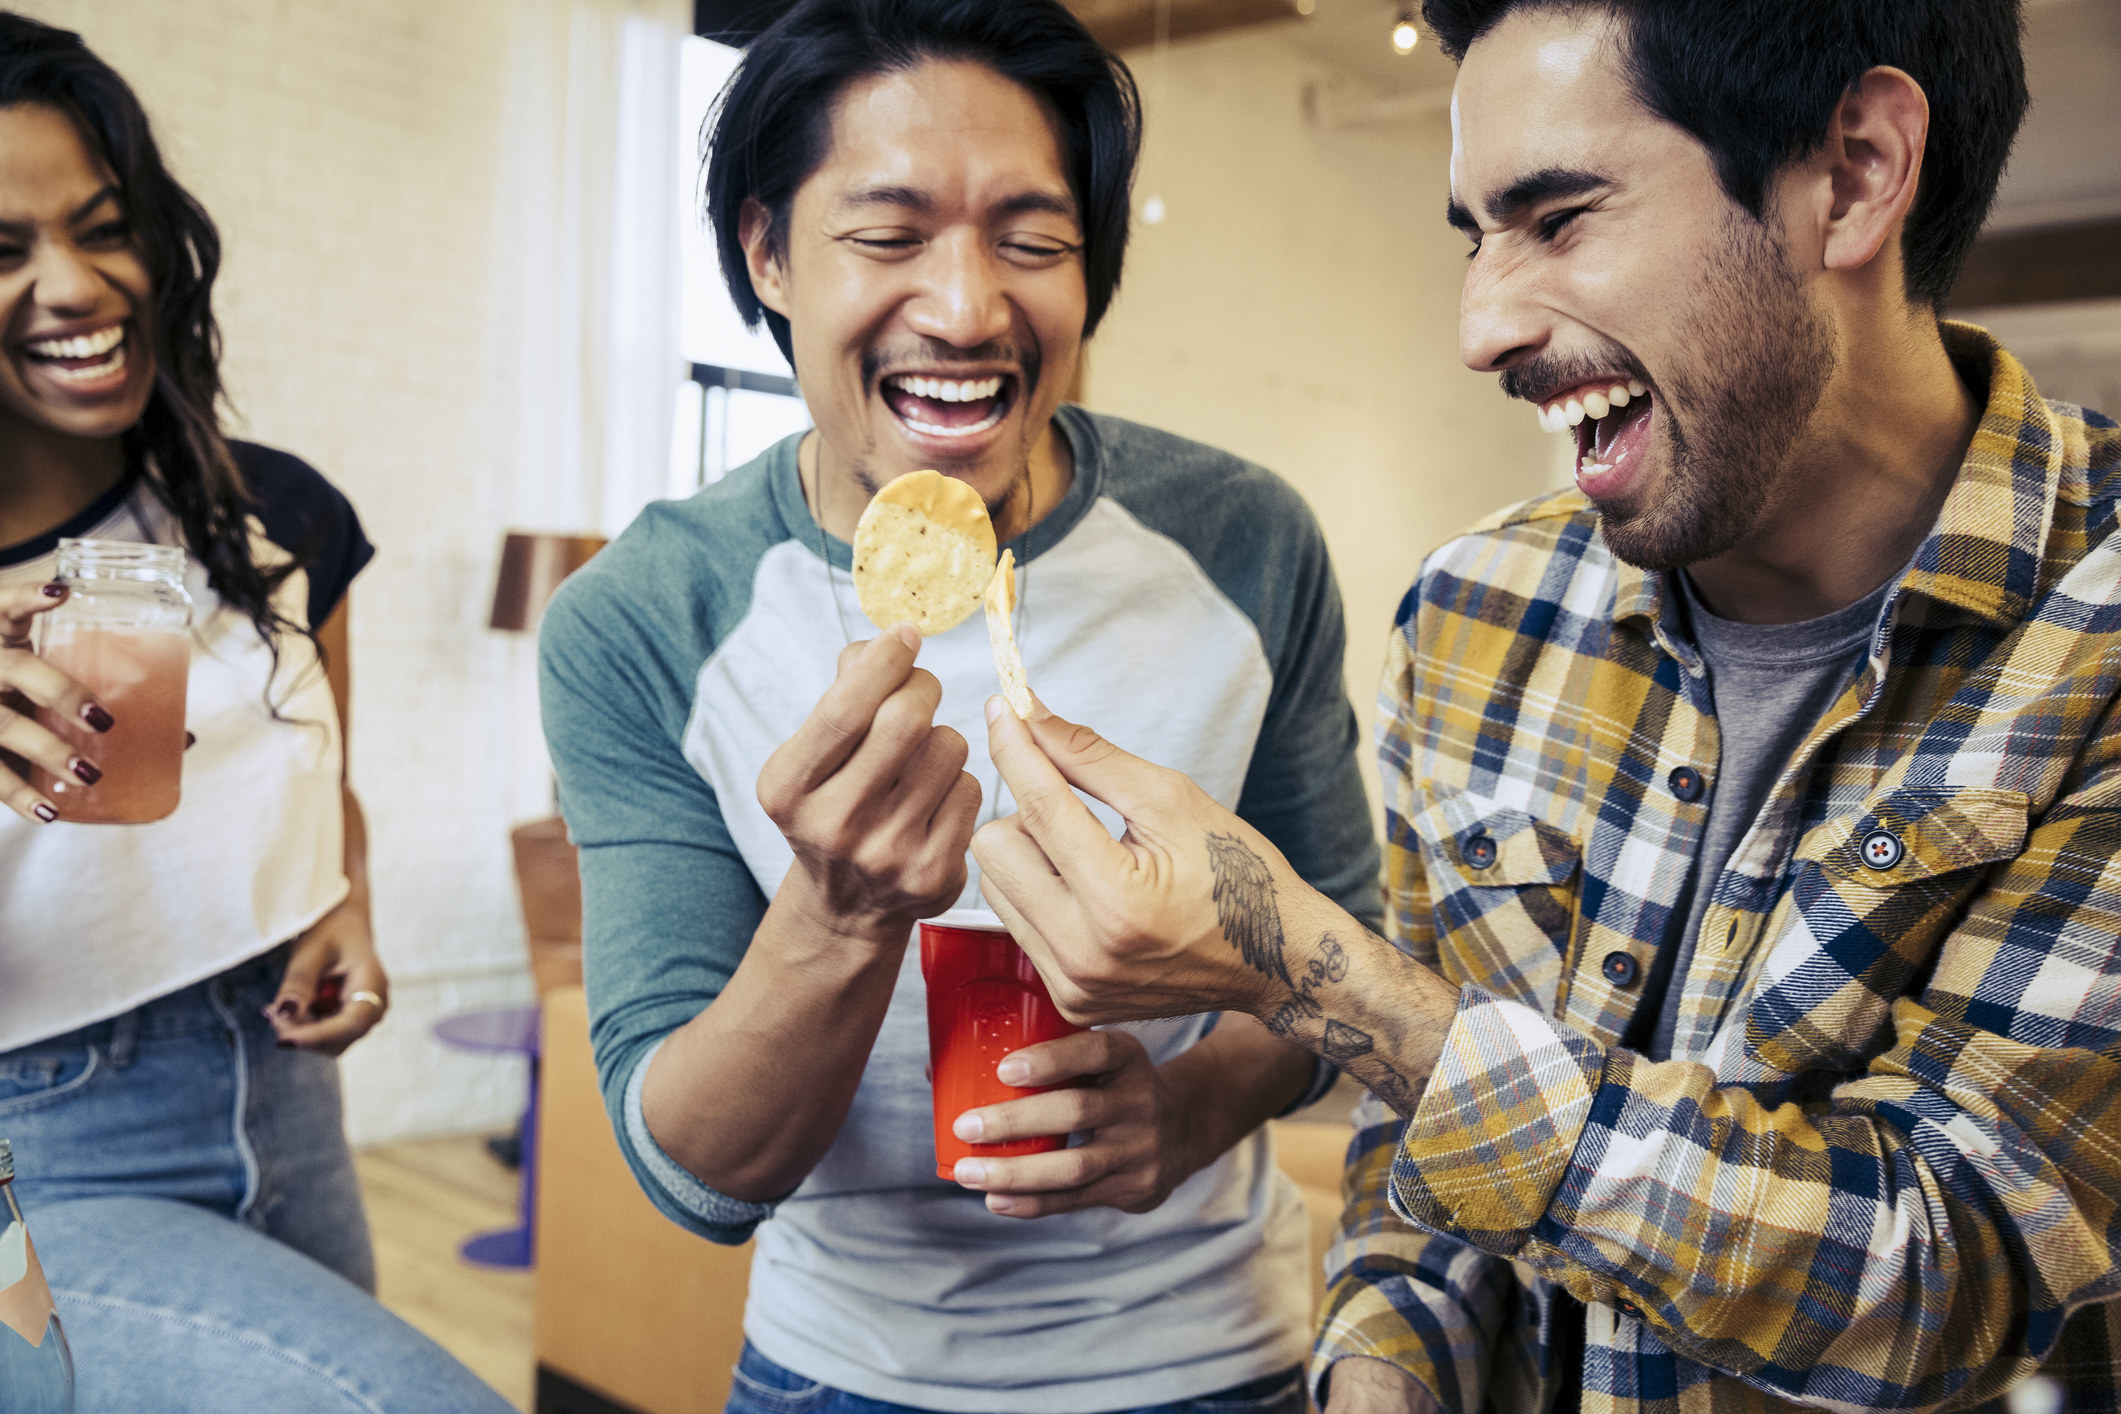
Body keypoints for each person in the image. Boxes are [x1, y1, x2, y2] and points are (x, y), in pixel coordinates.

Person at [969, 1, 2121, 1411]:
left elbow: (1950, 1266)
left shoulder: (2095, 636)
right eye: (1473, 234)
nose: (1480, 324)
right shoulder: (1476, 609)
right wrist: (1377, 1374)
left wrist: (1296, 962)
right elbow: (1426, 1159)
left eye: (1560, 216)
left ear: (1856, 172)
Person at [538, 1, 1381, 1409]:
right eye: (887, 234)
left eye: (1031, 240)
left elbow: (1336, 961)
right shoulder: (642, 615)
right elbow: (690, 1169)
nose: (967, 307)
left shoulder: (1245, 542)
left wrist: (1179, 1110)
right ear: (767, 252)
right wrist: (838, 911)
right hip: (841, 1371)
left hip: (1218, 1362)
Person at [0, 15, 513, 1412]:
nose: (72, 282)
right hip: (38, 1146)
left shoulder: (270, 511)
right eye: (2, 249)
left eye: (104, 225)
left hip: (282, 1099)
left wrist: (340, 900)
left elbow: (318, 772)